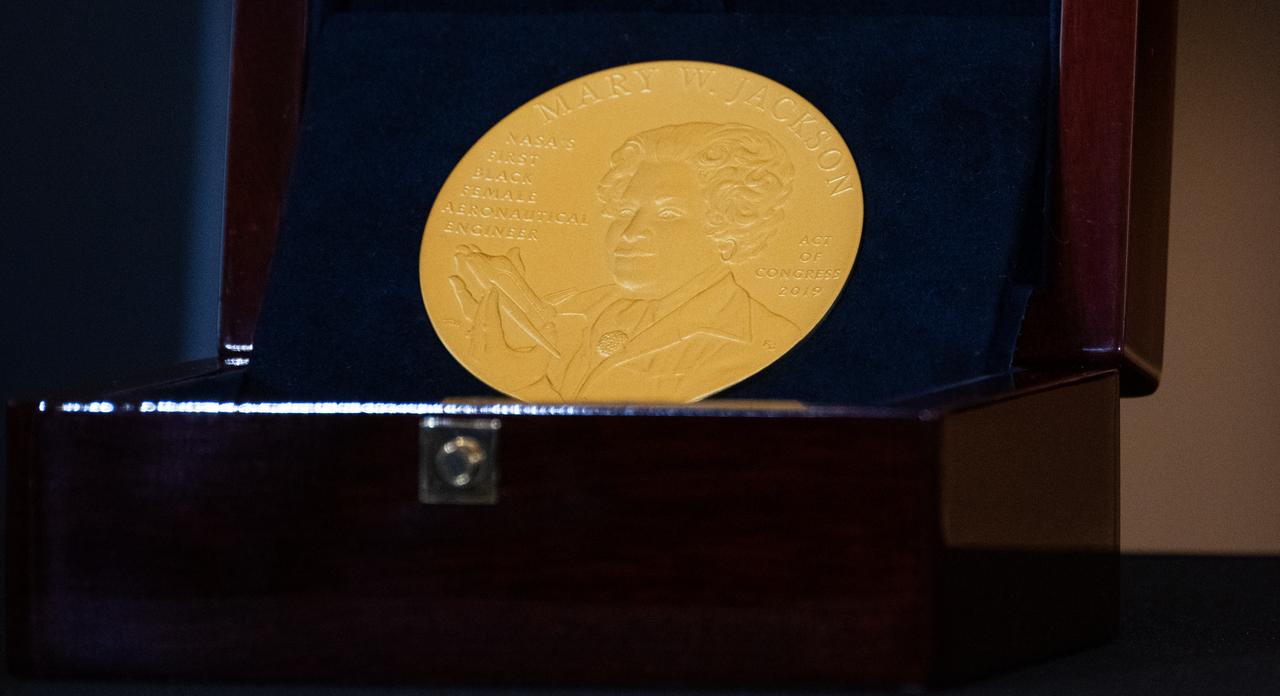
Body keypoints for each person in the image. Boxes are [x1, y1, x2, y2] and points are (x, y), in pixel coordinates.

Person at [448, 121, 799, 401]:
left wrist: (523, 386)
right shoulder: (565, 309)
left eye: (668, 213)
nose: (631, 231)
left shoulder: (761, 340)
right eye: (625, 210)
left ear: (730, 227)